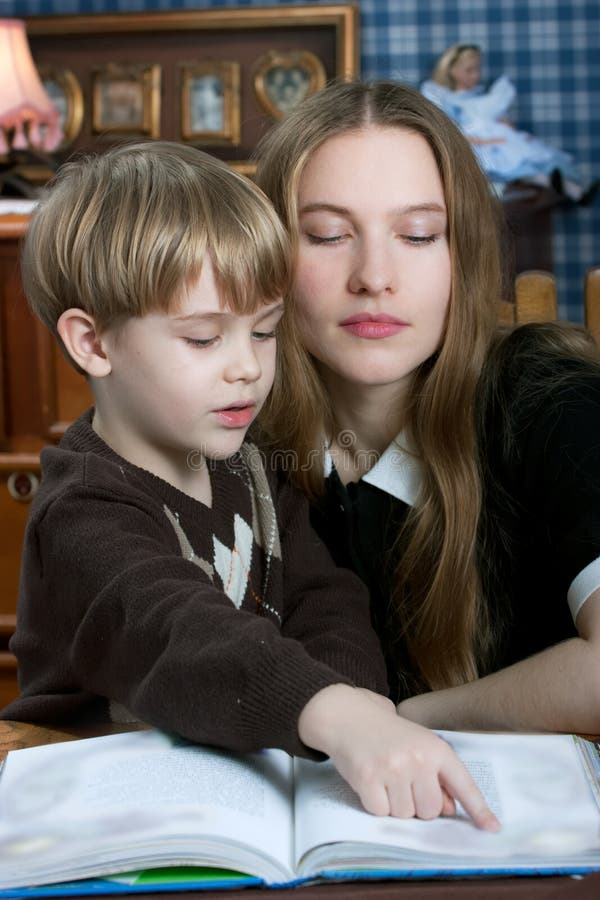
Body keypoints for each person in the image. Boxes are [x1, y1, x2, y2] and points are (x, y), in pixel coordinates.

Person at [1, 141, 497, 829]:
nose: (247, 370)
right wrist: (330, 711)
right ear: (93, 344)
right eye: (204, 339)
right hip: (93, 815)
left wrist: (357, 705)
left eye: (264, 332)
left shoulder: (251, 466)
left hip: (234, 783)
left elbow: (326, 598)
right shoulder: (82, 512)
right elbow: (177, 630)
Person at [255, 80, 600, 736]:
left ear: (459, 256)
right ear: (269, 257)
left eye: (416, 234)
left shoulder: (553, 401)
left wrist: (401, 722)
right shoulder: (235, 430)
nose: (374, 276)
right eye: (328, 235)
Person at [420, 44, 597, 204]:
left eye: (477, 69)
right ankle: (568, 188)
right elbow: (452, 132)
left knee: (532, 163)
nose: (476, 75)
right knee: (521, 168)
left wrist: (505, 127)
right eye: (469, 70)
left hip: (497, 141)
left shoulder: (480, 97)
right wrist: (485, 141)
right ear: (452, 70)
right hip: (481, 147)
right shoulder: (449, 101)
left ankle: (575, 191)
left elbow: (494, 118)